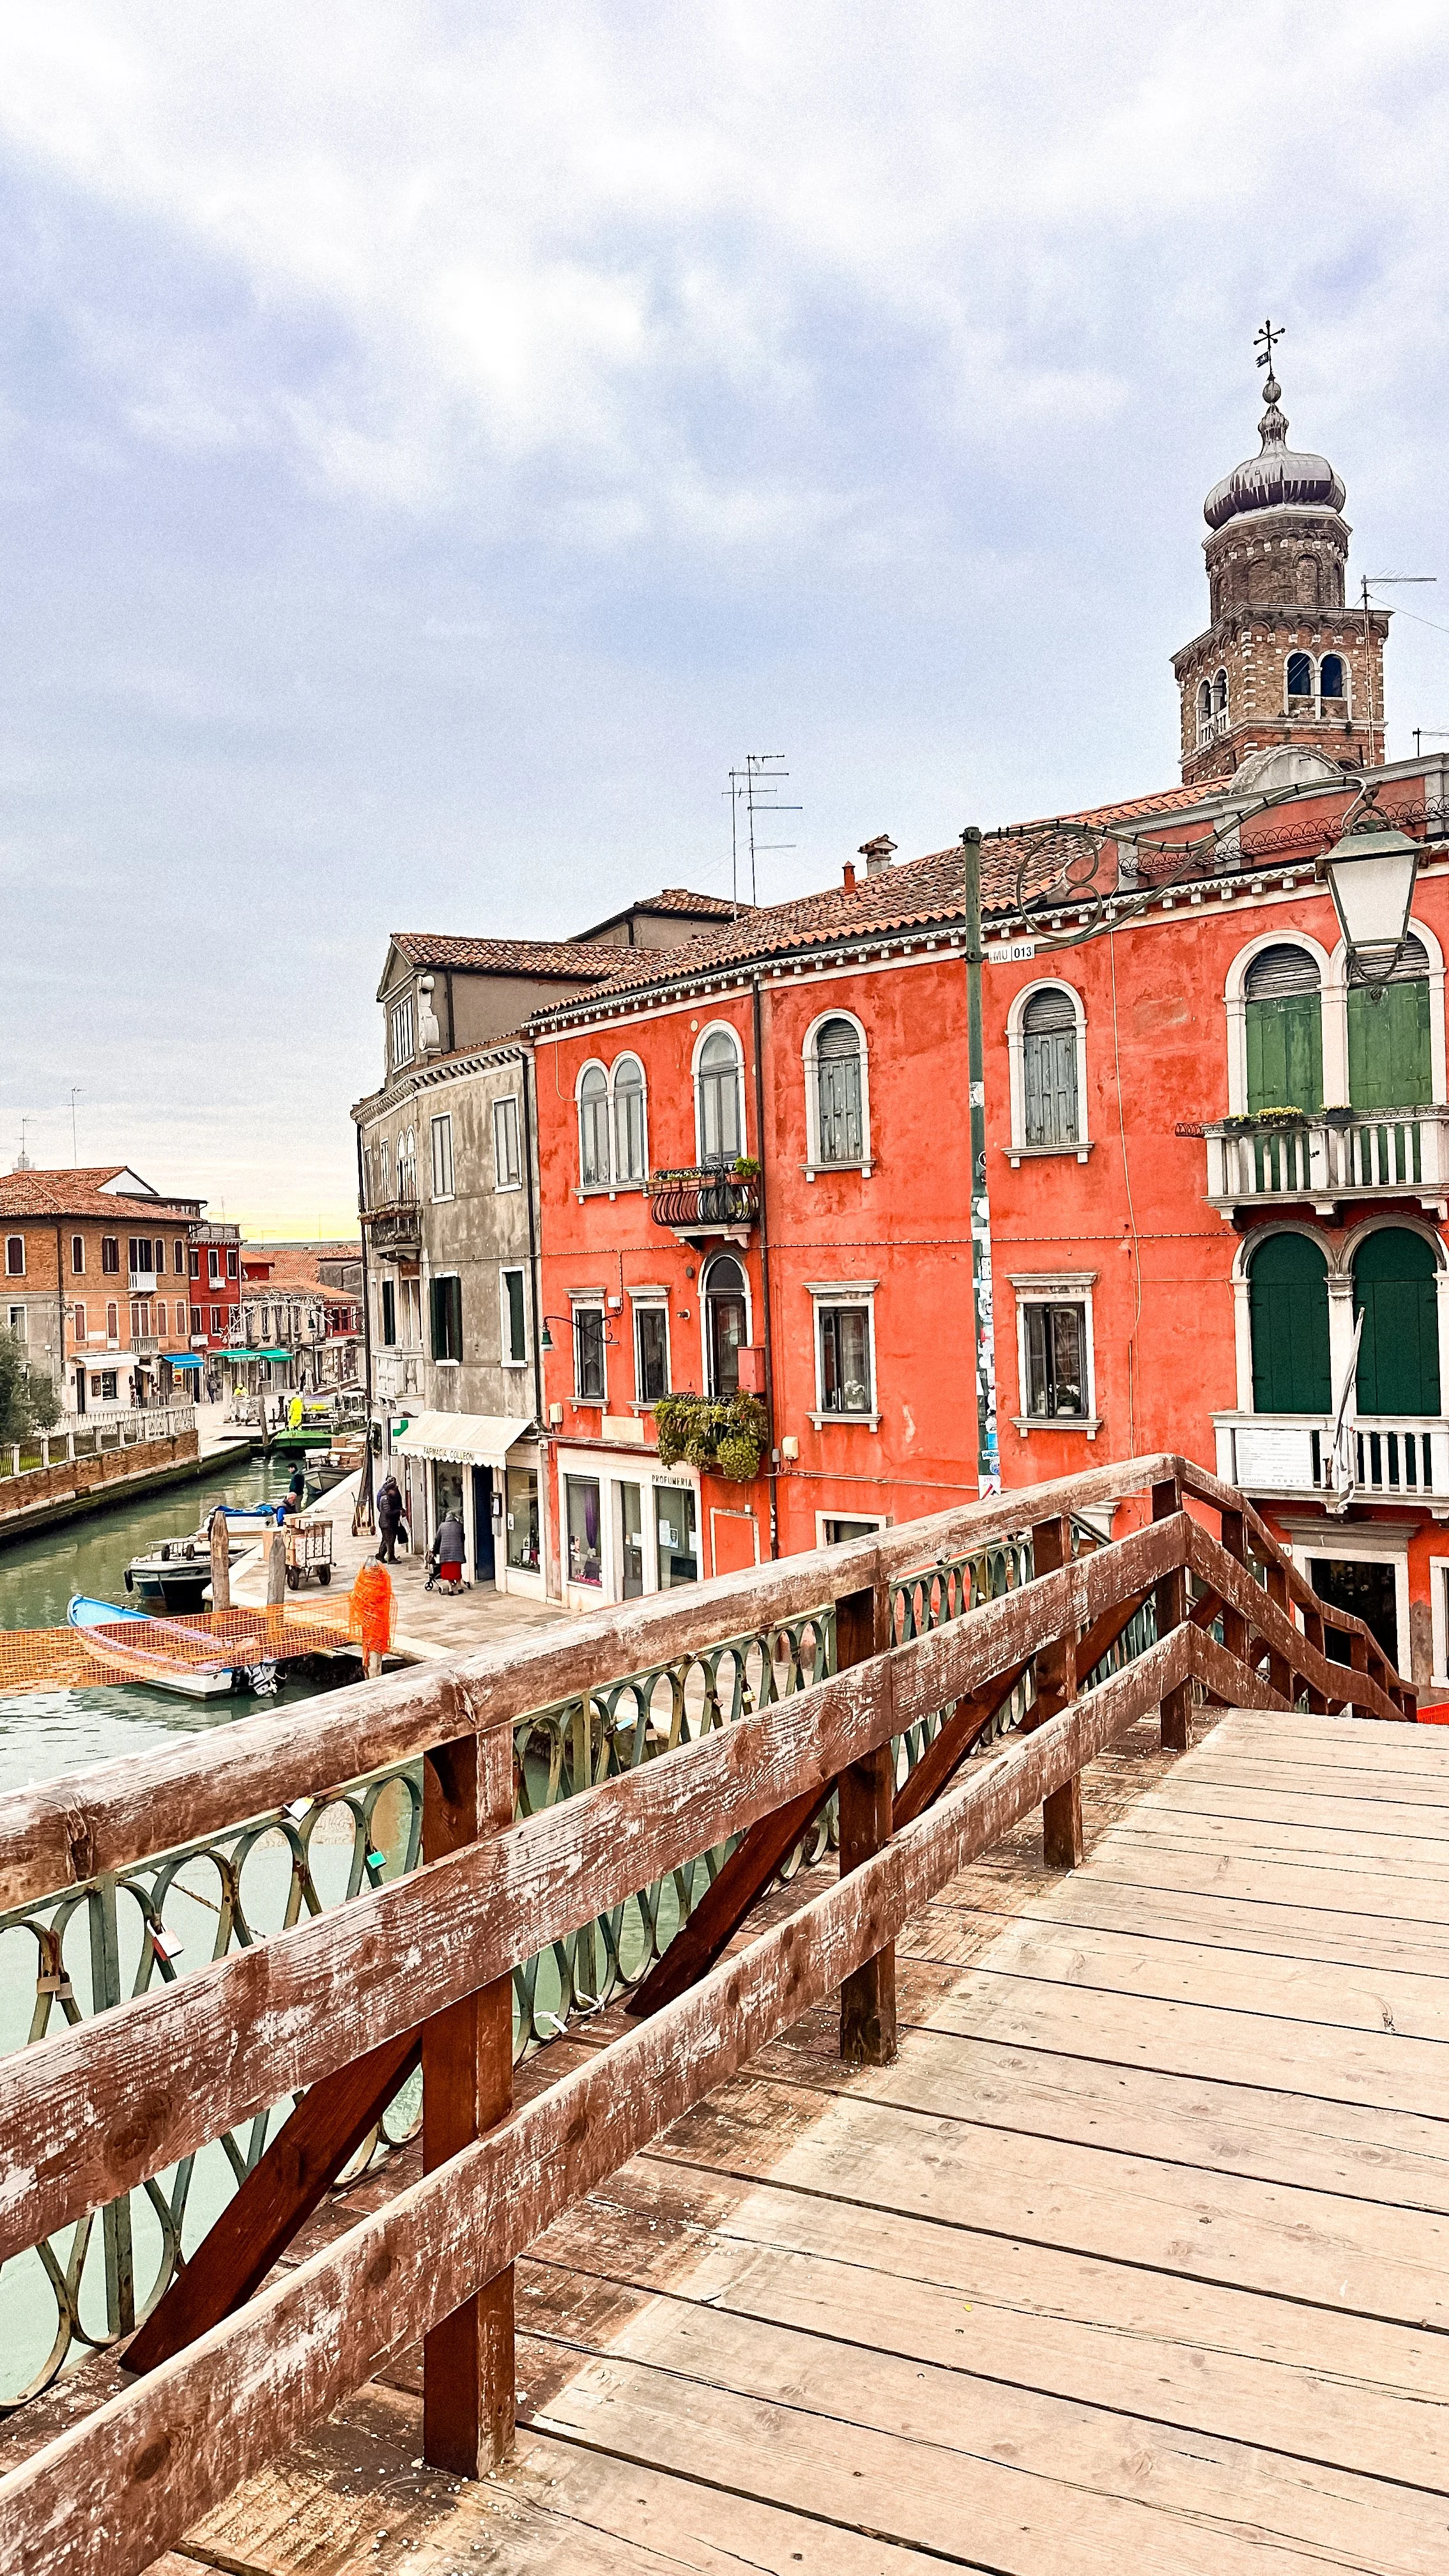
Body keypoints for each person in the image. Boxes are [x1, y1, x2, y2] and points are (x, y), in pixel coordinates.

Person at [427, 1507, 467, 1593]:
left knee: (448, 1571)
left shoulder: (442, 1526)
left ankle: (450, 1589)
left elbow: (438, 1539)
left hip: (445, 1553)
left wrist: (435, 1550)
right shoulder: (459, 1526)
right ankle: (459, 1587)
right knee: (457, 1570)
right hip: (457, 1552)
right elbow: (463, 1538)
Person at [376, 1473, 405, 1563]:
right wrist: (399, 1512)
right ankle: (391, 1558)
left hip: (389, 1522)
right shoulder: (385, 1499)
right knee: (390, 1540)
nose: (395, 1492)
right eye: (394, 1490)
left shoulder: (390, 1497)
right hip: (387, 1523)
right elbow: (388, 1512)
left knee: (386, 1539)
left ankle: (380, 1555)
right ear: (389, 1490)